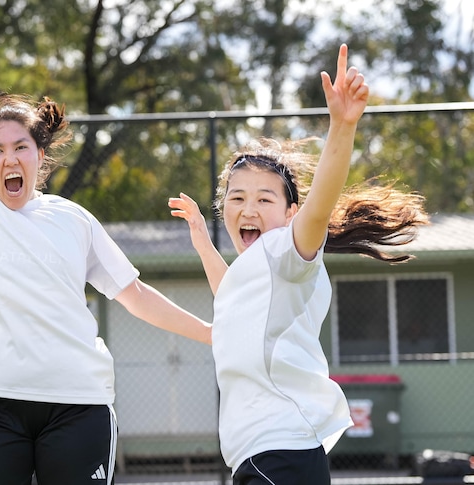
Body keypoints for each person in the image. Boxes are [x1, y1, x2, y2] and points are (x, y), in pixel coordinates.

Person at [0, 1, 212, 483]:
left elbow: (135, 295)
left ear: (40, 154)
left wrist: (213, 334)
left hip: (78, 404)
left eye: (21, 147)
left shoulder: (74, 219)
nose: (9, 158)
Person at [168, 44, 429, 484]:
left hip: (281, 452)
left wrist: (342, 126)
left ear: (291, 213)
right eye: (237, 197)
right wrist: (201, 240)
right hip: (264, 455)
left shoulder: (287, 253)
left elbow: (320, 202)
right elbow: (230, 296)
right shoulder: (257, 276)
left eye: (264, 199)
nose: (248, 208)